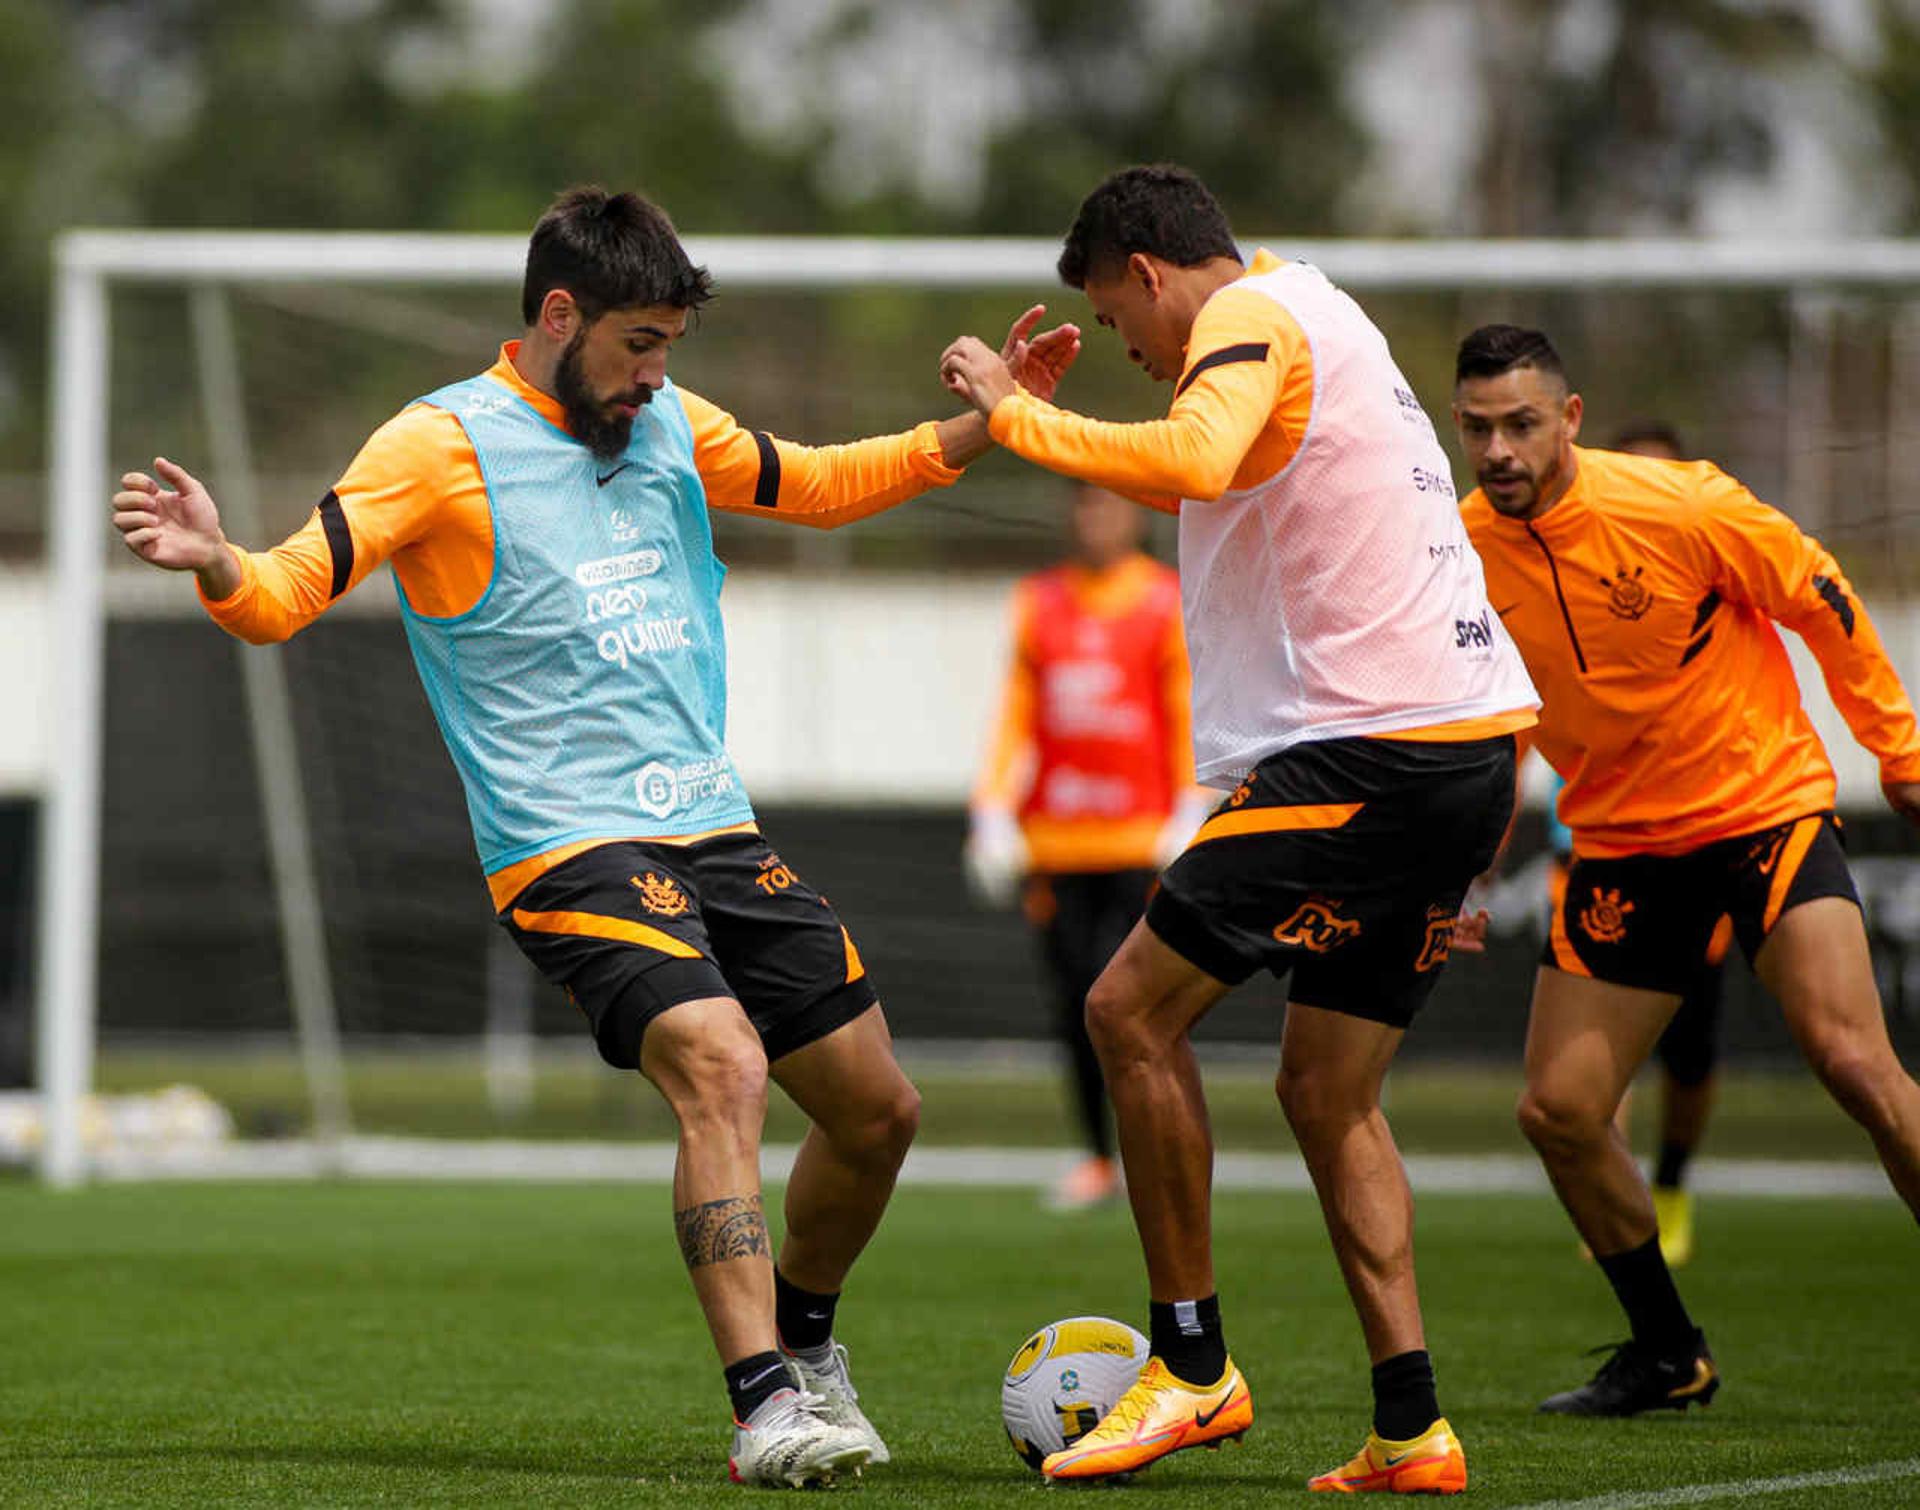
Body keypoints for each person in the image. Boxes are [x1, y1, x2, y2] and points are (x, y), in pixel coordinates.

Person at [110, 185, 1080, 1489]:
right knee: (722, 1061)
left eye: (670, 346)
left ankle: (802, 1340)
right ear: (558, 313)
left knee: (880, 1110)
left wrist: (985, 422)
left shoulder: (673, 418)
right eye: (636, 343)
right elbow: (281, 598)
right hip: (566, 846)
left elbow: (822, 484)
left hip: (713, 825)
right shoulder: (435, 442)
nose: (653, 373)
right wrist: (218, 558)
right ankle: (761, 1408)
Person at [939, 163, 1538, 1494]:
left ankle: (1193, 1366)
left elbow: (1196, 454)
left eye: (1114, 323)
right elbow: (1222, 467)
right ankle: (1412, 1423)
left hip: (1368, 753)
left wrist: (1016, 420)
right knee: (1327, 1089)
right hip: (1461, 754)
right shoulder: (1321, 310)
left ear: (1151, 276)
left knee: (1124, 1014)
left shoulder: (1247, 321)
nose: (1130, 353)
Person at [1452, 323, 1920, 1418]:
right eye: (1477, 428)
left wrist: (1899, 749)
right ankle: (1668, 1353)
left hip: (1762, 807)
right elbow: (1484, 718)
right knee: (1560, 1111)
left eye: (1521, 422)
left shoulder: (1682, 503)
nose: (1499, 449)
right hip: (1622, 843)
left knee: (1853, 1060)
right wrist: (1463, 870)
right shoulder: (1458, 546)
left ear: (1568, 418)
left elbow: (1822, 594)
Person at [964, 483, 1211, 1211]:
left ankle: (1155, 1154)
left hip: (1140, 841)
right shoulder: (1040, 601)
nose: (1091, 518)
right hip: (1058, 842)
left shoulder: (1164, 600)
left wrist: (1191, 804)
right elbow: (1014, 713)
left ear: (1132, 515)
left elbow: (1184, 704)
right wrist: (991, 811)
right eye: (1080, 504)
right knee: (1073, 1002)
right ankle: (1098, 1157)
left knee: (1133, 1005)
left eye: (1103, 504)